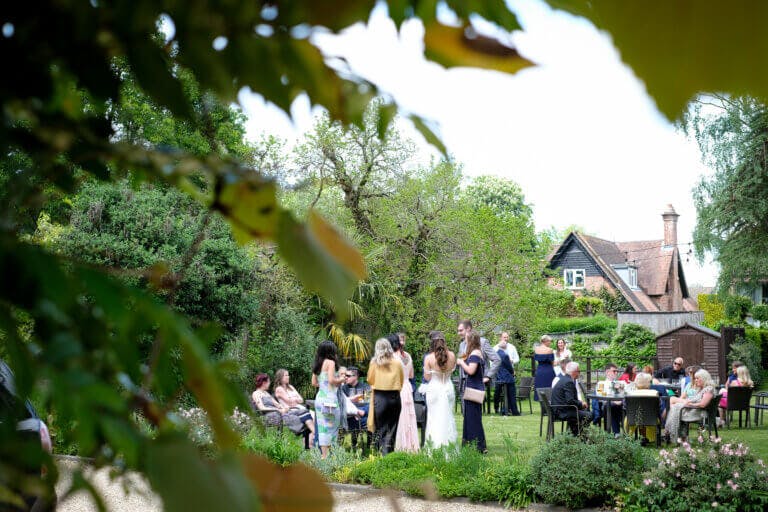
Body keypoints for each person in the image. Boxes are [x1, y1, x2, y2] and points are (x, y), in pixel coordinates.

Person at [252, 373, 315, 445]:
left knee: (303, 411)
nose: (269, 383)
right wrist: (278, 410)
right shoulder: (256, 393)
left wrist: (284, 408)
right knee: (296, 417)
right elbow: (262, 408)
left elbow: (277, 404)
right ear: (264, 383)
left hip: (279, 412)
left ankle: (311, 436)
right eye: (268, 382)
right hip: (271, 415)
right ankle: (312, 435)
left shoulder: (266, 393)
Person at [367, 338, 404, 455]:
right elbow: (401, 380)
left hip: (380, 397)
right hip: (394, 397)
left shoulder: (374, 363)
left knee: (381, 429)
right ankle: (389, 453)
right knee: (392, 428)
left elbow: (369, 379)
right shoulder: (397, 362)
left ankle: (382, 454)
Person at [422, 331, 458, 448]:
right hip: (448, 387)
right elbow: (452, 371)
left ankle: (434, 448)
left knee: (434, 419)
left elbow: (427, 377)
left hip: (435, 389)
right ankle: (449, 446)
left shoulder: (429, 358)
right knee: (448, 417)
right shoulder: (452, 355)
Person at [664, 369, 716, 443]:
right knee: (675, 407)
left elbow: (703, 404)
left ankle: (671, 433)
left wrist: (690, 404)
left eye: (698, 378)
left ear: (704, 378)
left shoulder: (708, 389)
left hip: (699, 413)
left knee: (675, 408)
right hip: (695, 410)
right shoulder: (703, 389)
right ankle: (674, 434)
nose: (696, 380)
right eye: (695, 378)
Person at [311, 340, 344, 459]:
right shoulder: (330, 362)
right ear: (331, 351)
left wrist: (324, 384)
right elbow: (331, 380)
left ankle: (323, 456)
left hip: (320, 398)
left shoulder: (318, 364)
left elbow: (314, 383)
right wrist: (341, 379)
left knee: (322, 428)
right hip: (330, 400)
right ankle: (330, 456)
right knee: (332, 427)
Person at [456, 331, 487, 452]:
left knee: (473, 418)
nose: (465, 341)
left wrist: (461, 362)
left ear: (471, 340)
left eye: (466, 339)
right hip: (474, 387)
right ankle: (471, 445)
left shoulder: (475, 353)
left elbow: (471, 370)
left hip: (474, 389)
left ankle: (478, 446)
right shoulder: (476, 352)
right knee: (470, 417)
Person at [390, 334, 419, 452]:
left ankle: (400, 446)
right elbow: (411, 375)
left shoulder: (392, 356)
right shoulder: (408, 356)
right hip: (407, 387)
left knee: (399, 416)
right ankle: (411, 446)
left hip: (398, 386)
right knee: (408, 416)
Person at [550, 362, 590, 437]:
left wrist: (580, 403)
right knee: (589, 415)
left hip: (559, 409)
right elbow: (570, 401)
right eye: (579, 371)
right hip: (562, 412)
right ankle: (580, 436)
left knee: (584, 412)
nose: (579, 373)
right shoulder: (568, 382)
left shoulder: (564, 379)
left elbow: (568, 399)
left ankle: (576, 434)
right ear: (574, 372)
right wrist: (581, 404)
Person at [624, 372, 662, 445]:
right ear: (648, 383)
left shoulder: (630, 393)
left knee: (630, 417)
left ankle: (633, 438)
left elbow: (625, 406)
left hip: (632, 419)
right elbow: (659, 406)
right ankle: (647, 438)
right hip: (652, 419)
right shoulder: (655, 393)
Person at [340, 366, 371, 450]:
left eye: (348, 376)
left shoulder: (366, 387)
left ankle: (368, 446)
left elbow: (368, 402)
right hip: (350, 415)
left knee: (370, 409)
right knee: (354, 419)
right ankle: (354, 444)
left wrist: (361, 409)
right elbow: (342, 403)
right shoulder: (343, 388)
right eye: (345, 375)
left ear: (356, 376)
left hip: (363, 413)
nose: (345, 377)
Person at [493, 332, 520, 416]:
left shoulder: (511, 347)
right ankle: (500, 408)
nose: (506, 339)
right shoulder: (496, 349)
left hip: (504, 373)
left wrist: (512, 361)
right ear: (500, 338)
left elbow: (517, 359)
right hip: (503, 374)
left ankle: (506, 409)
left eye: (507, 337)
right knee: (500, 392)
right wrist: (512, 372)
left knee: (507, 393)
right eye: (504, 337)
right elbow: (492, 362)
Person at [593, 363, 623, 435]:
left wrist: (621, 390)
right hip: (607, 406)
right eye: (614, 371)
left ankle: (624, 432)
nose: (616, 373)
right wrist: (614, 401)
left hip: (619, 404)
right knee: (611, 406)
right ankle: (616, 432)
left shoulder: (619, 383)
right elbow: (600, 397)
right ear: (607, 372)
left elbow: (623, 395)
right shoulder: (601, 383)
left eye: (617, 371)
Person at [533, 335, 555, 401]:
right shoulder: (550, 350)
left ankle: (543, 409)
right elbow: (552, 363)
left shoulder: (536, 349)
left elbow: (537, 360)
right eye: (550, 341)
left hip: (539, 371)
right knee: (549, 388)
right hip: (548, 371)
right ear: (546, 341)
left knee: (540, 388)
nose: (550, 343)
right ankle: (549, 408)